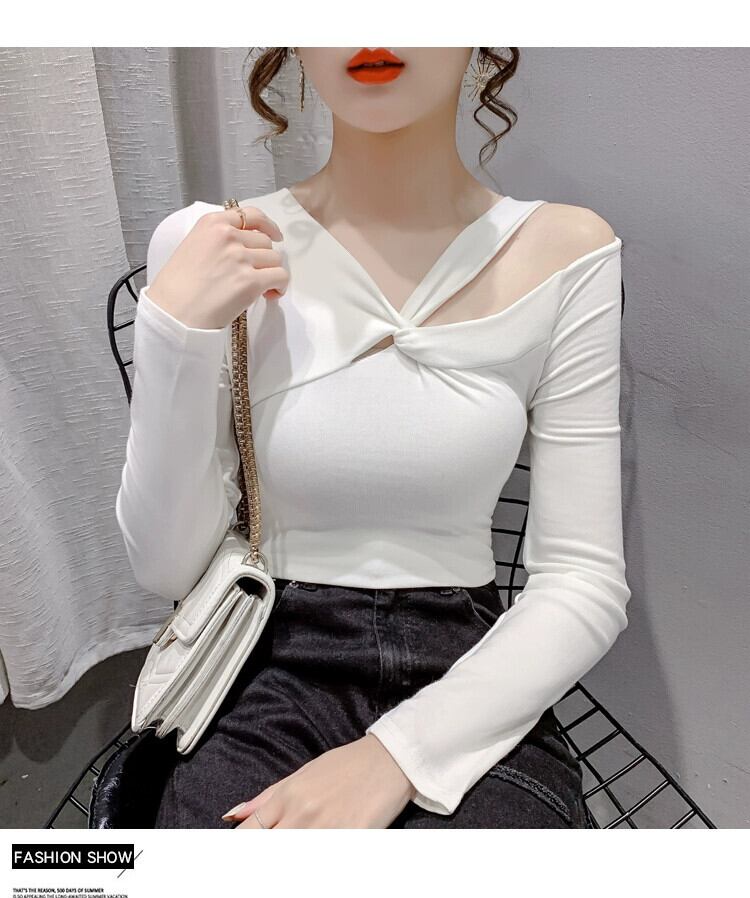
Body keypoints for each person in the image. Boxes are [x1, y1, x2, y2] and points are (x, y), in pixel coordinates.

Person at [115, 47, 630, 828]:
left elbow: (584, 581)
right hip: (260, 660)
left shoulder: (566, 251)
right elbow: (165, 566)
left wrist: (396, 755)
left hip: (469, 674)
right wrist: (176, 330)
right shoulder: (214, 242)